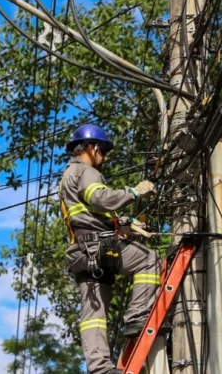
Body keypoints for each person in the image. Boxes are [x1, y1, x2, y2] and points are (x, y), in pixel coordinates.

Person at [60, 123, 161, 374]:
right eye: (103, 152)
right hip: (98, 246)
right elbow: (100, 199)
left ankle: (100, 369)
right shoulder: (86, 171)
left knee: (94, 313)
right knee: (149, 259)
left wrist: (126, 223)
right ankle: (138, 317)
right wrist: (135, 192)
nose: (104, 158)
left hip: (83, 251)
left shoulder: (67, 176)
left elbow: (89, 216)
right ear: (92, 147)